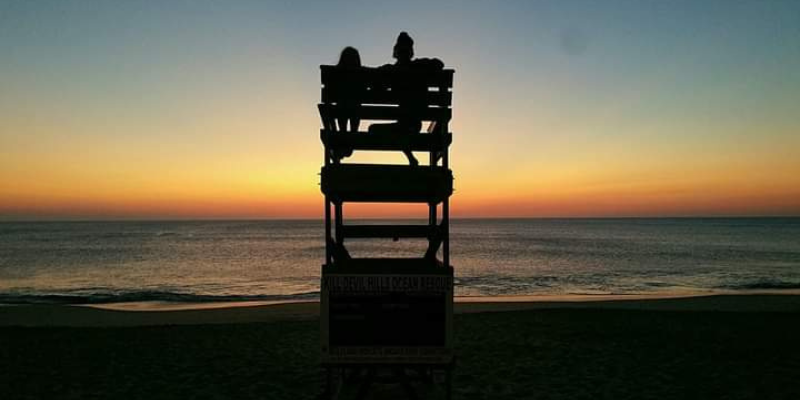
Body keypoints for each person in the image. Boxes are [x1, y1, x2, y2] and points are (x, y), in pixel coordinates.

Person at [368, 32, 444, 166]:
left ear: (396, 51)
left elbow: (374, 84)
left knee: (373, 130)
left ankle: (411, 158)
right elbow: (439, 64)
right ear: (411, 51)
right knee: (401, 132)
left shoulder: (390, 71)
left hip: (403, 124)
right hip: (415, 125)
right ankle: (411, 158)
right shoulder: (420, 66)